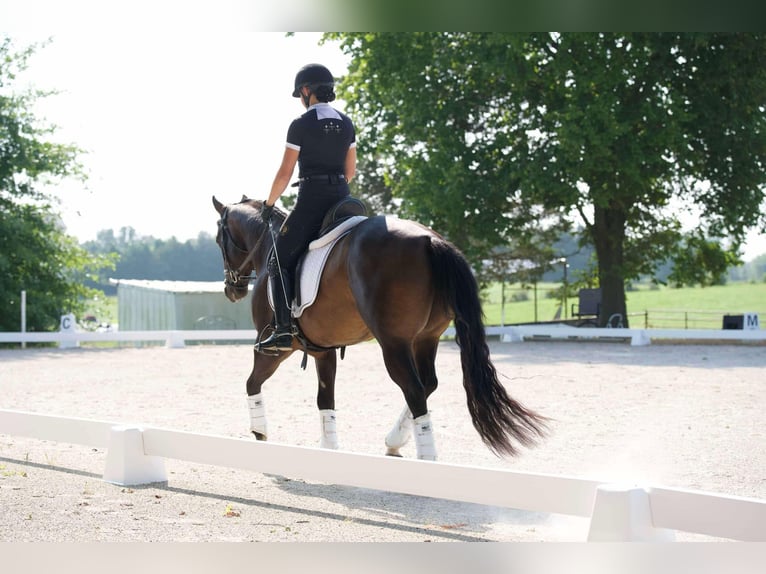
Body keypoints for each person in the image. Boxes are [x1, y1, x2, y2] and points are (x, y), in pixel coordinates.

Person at [257, 63, 357, 352]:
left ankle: (283, 329)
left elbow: (285, 173)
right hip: (343, 201)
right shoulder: (346, 122)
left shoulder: (300, 124)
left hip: (312, 201)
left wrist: (269, 203)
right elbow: (350, 171)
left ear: (305, 91)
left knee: (278, 261)